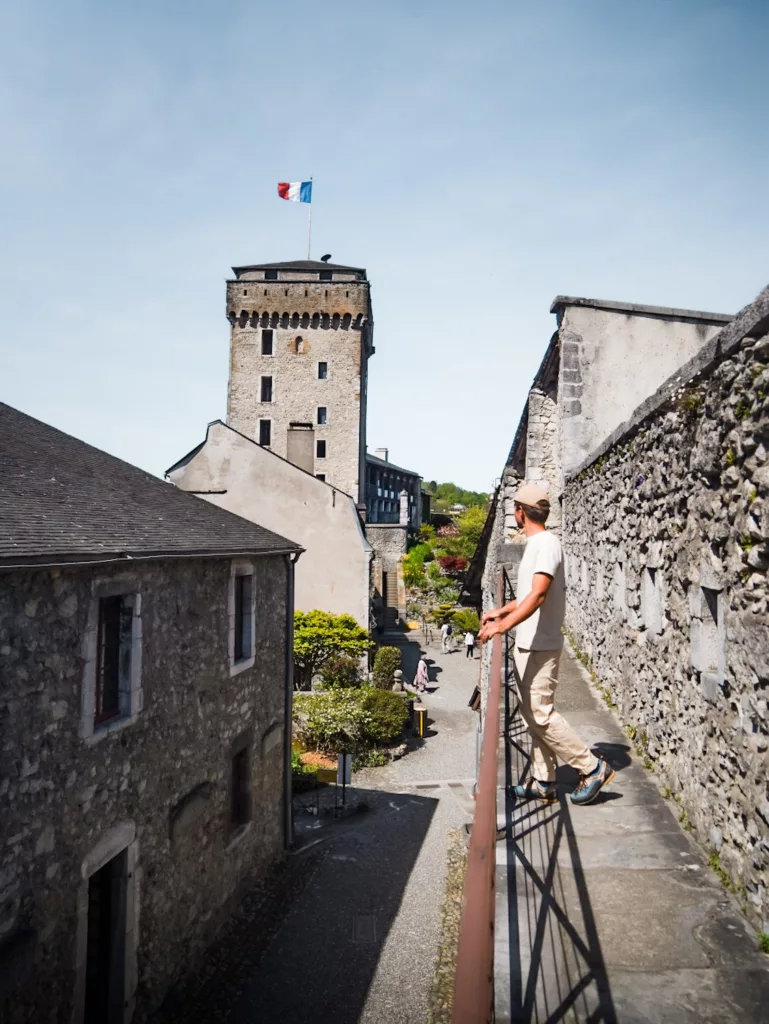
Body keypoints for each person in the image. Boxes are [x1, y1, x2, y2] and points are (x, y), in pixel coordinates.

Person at [478, 483, 615, 806]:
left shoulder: (548, 544)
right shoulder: (538, 545)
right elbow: (528, 595)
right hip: (530, 642)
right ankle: (544, 781)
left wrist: (501, 626)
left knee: (541, 714)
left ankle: (592, 767)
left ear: (520, 513)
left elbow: (539, 595)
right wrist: (504, 609)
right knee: (531, 715)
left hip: (541, 644)